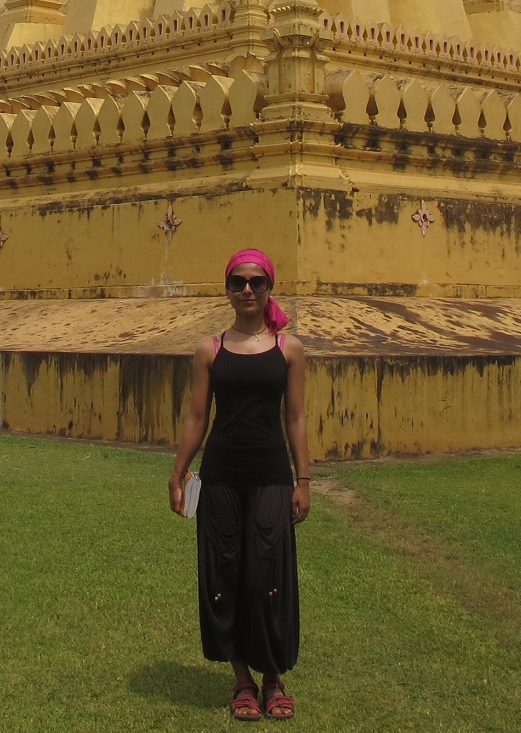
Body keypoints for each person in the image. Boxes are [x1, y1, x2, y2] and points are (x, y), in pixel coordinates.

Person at [169, 249, 310, 721]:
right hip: (222, 475)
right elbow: (197, 417)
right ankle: (243, 681)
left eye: (256, 282)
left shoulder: (288, 349)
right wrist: (178, 473)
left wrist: (303, 479)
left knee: (266, 576)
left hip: (270, 474)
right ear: (227, 289)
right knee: (225, 574)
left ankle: (273, 679)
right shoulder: (210, 350)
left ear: (269, 287)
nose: (247, 290)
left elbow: (296, 417)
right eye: (237, 282)